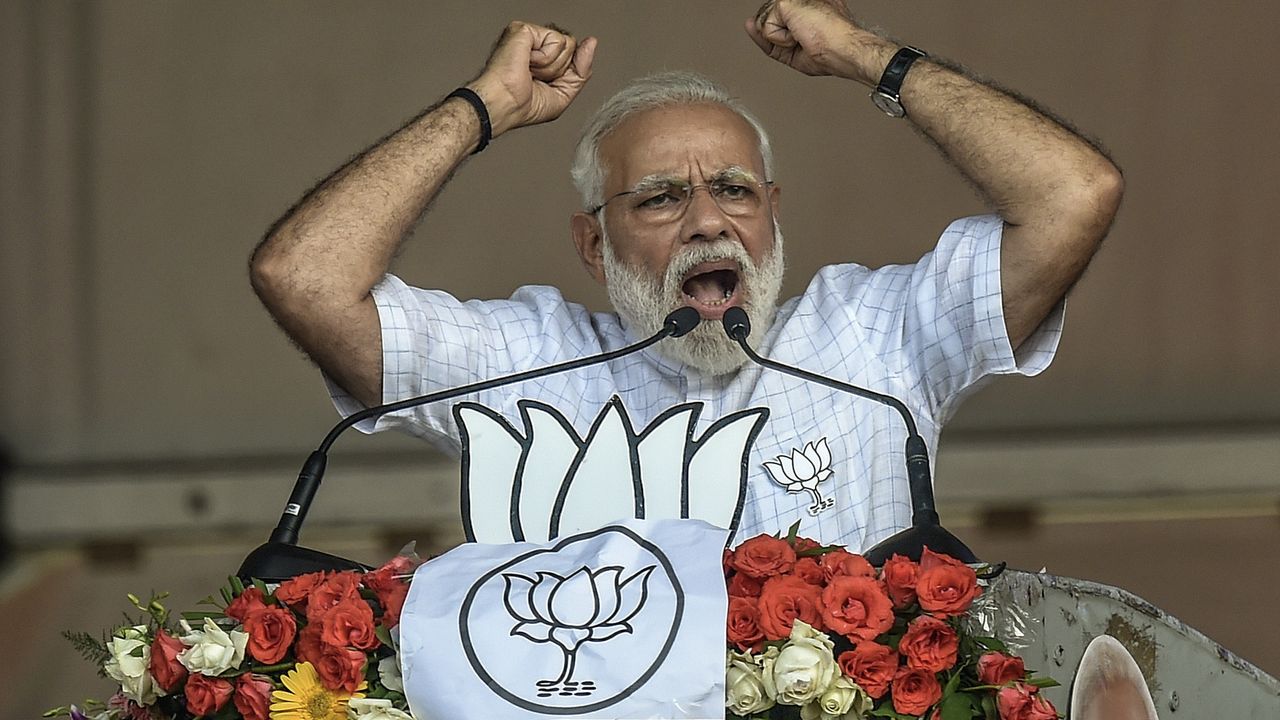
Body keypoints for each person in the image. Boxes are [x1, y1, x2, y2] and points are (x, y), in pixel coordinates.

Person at [250, 1, 1122, 549]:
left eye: (735, 191)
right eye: (662, 199)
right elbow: (304, 278)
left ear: (773, 213)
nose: (710, 220)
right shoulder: (529, 364)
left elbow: (1075, 194)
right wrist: (482, 110)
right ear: (595, 246)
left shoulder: (875, 335)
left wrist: (870, 56)